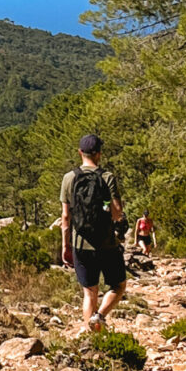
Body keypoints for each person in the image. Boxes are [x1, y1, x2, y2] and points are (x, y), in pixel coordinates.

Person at [60, 133, 126, 332]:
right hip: (107, 243)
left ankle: (93, 337)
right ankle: (100, 316)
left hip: (81, 243)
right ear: (99, 154)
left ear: (80, 152)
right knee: (118, 286)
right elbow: (117, 213)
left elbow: (65, 218)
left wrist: (66, 245)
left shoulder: (69, 178)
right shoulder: (107, 177)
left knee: (90, 293)